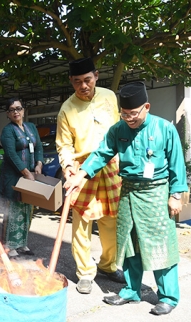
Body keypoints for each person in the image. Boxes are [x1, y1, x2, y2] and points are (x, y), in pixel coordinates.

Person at [65, 81, 188, 316]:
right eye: (124, 114)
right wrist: (80, 176)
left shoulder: (164, 128)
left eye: (133, 114)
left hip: (156, 192)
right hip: (128, 191)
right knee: (130, 244)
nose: (129, 118)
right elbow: (101, 154)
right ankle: (132, 290)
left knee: (160, 245)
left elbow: (177, 164)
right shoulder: (118, 130)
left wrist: (176, 195)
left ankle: (168, 296)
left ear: (147, 107)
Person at [56, 57, 125, 294]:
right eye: (77, 82)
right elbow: (64, 145)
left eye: (87, 80)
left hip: (110, 166)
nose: (83, 86)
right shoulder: (66, 108)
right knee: (81, 223)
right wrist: (67, 167)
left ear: (96, 75)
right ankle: (85, 272)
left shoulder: (109, 97)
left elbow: (119, 129)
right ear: (71, 82)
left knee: (110, 220)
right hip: (81, 170)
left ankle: (108, 265)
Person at [0, 97, 43, 257]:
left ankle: (22, 244)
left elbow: (38, 147)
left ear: (23, 110)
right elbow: (11, 154)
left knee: (27, 210)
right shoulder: (7, 131)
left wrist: (38, 164)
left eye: (18, 108)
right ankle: (8, 246)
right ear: (8, 114)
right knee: (13, 211)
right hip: (13, 178)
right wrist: (26, 172)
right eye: (12, 110)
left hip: (30, 177)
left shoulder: (31, 127)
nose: (16, 112)